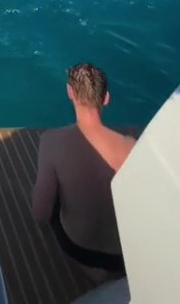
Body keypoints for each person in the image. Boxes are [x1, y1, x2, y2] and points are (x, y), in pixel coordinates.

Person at [32, 63, 136, 282]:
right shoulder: (131, 147)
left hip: (79, 251)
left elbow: (41, 212)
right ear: (106, 98)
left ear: (70, 92)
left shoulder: (52, 142)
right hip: (123, 257)